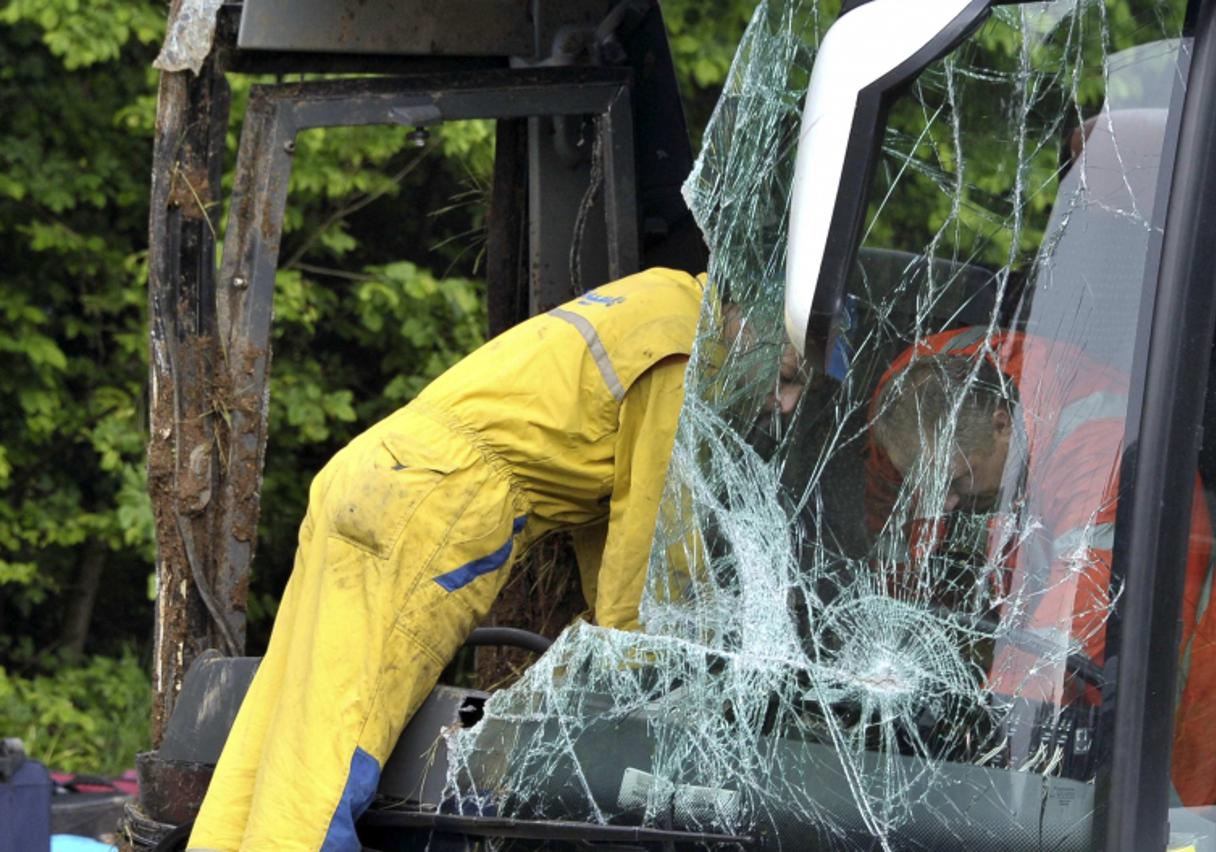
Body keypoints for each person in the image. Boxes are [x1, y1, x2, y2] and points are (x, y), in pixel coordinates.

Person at [189, 267, 803, 851]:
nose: (782, 403)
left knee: (285, 720)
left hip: (373, 471)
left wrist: (595, 653)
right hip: (437, 505)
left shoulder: (663, 296)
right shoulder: (682, 356)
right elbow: (647, 568)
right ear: (761, 322)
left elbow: (609, 534)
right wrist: (656, 675)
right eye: (786, 375)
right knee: (342, 738)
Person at [865, 326, 1216, 806]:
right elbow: (893, 556)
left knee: (1138, 785)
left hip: (1146, 645)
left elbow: (1072, 631)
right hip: (1042, 589)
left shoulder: (1103, 449)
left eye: (955, 479)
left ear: (1002, 425)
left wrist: (982, 738)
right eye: (927, 483)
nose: (947, 503)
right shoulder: (912, 397)